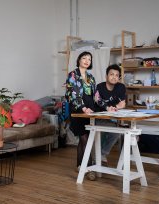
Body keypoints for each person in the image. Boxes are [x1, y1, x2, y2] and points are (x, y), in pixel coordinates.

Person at [65, 51, 97, 180]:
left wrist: (106, 107)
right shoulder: (72, 75)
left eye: (89, 59)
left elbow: (95, 96)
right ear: (79, 60)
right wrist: (83, 108)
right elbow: (72, 94)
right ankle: (89, 167)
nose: (87, 60)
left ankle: (79, 165)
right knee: (85, 138)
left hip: (90, 110)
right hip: (78, 110)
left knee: (85, 138)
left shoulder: (91, 77)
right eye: (84, 58)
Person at [95, 64, 126, 164]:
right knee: (98, 134)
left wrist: (115, 108)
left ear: (119, 77)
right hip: (97, 118)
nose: (114, 77)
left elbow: (122, 104)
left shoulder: (121, 87)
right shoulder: (99, 86)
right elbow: (97, 100)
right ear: (106, 76)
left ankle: (102, 154)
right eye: (111, 74)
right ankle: (97, 157)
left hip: (111, 119)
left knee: (116, 132)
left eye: (117, 75)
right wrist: (108, 108)